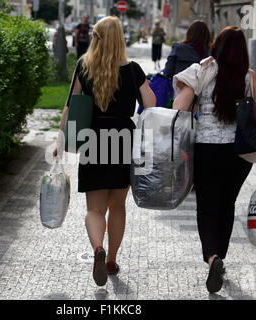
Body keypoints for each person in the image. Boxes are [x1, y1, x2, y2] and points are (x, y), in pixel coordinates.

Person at [172, 26, 256, 293]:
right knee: (227, 203)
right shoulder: (250, 77)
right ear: (243, 50)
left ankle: (212, 257)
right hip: (239, 153)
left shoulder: (203, 71)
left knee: (206, 207)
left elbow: (179, 108)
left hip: (206, 150)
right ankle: (221, 255)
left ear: (216, 47)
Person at [53, 16, 156, 286]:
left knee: (95, 209)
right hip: (123, 139)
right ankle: (110, 259)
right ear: (120, 39)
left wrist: (60, 139)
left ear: (95, 37)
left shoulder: (84, 66)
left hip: (93, 139)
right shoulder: (133, 70)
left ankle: (97, 248)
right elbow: (151, 102)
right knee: (118, 205)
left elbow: (71, 106)